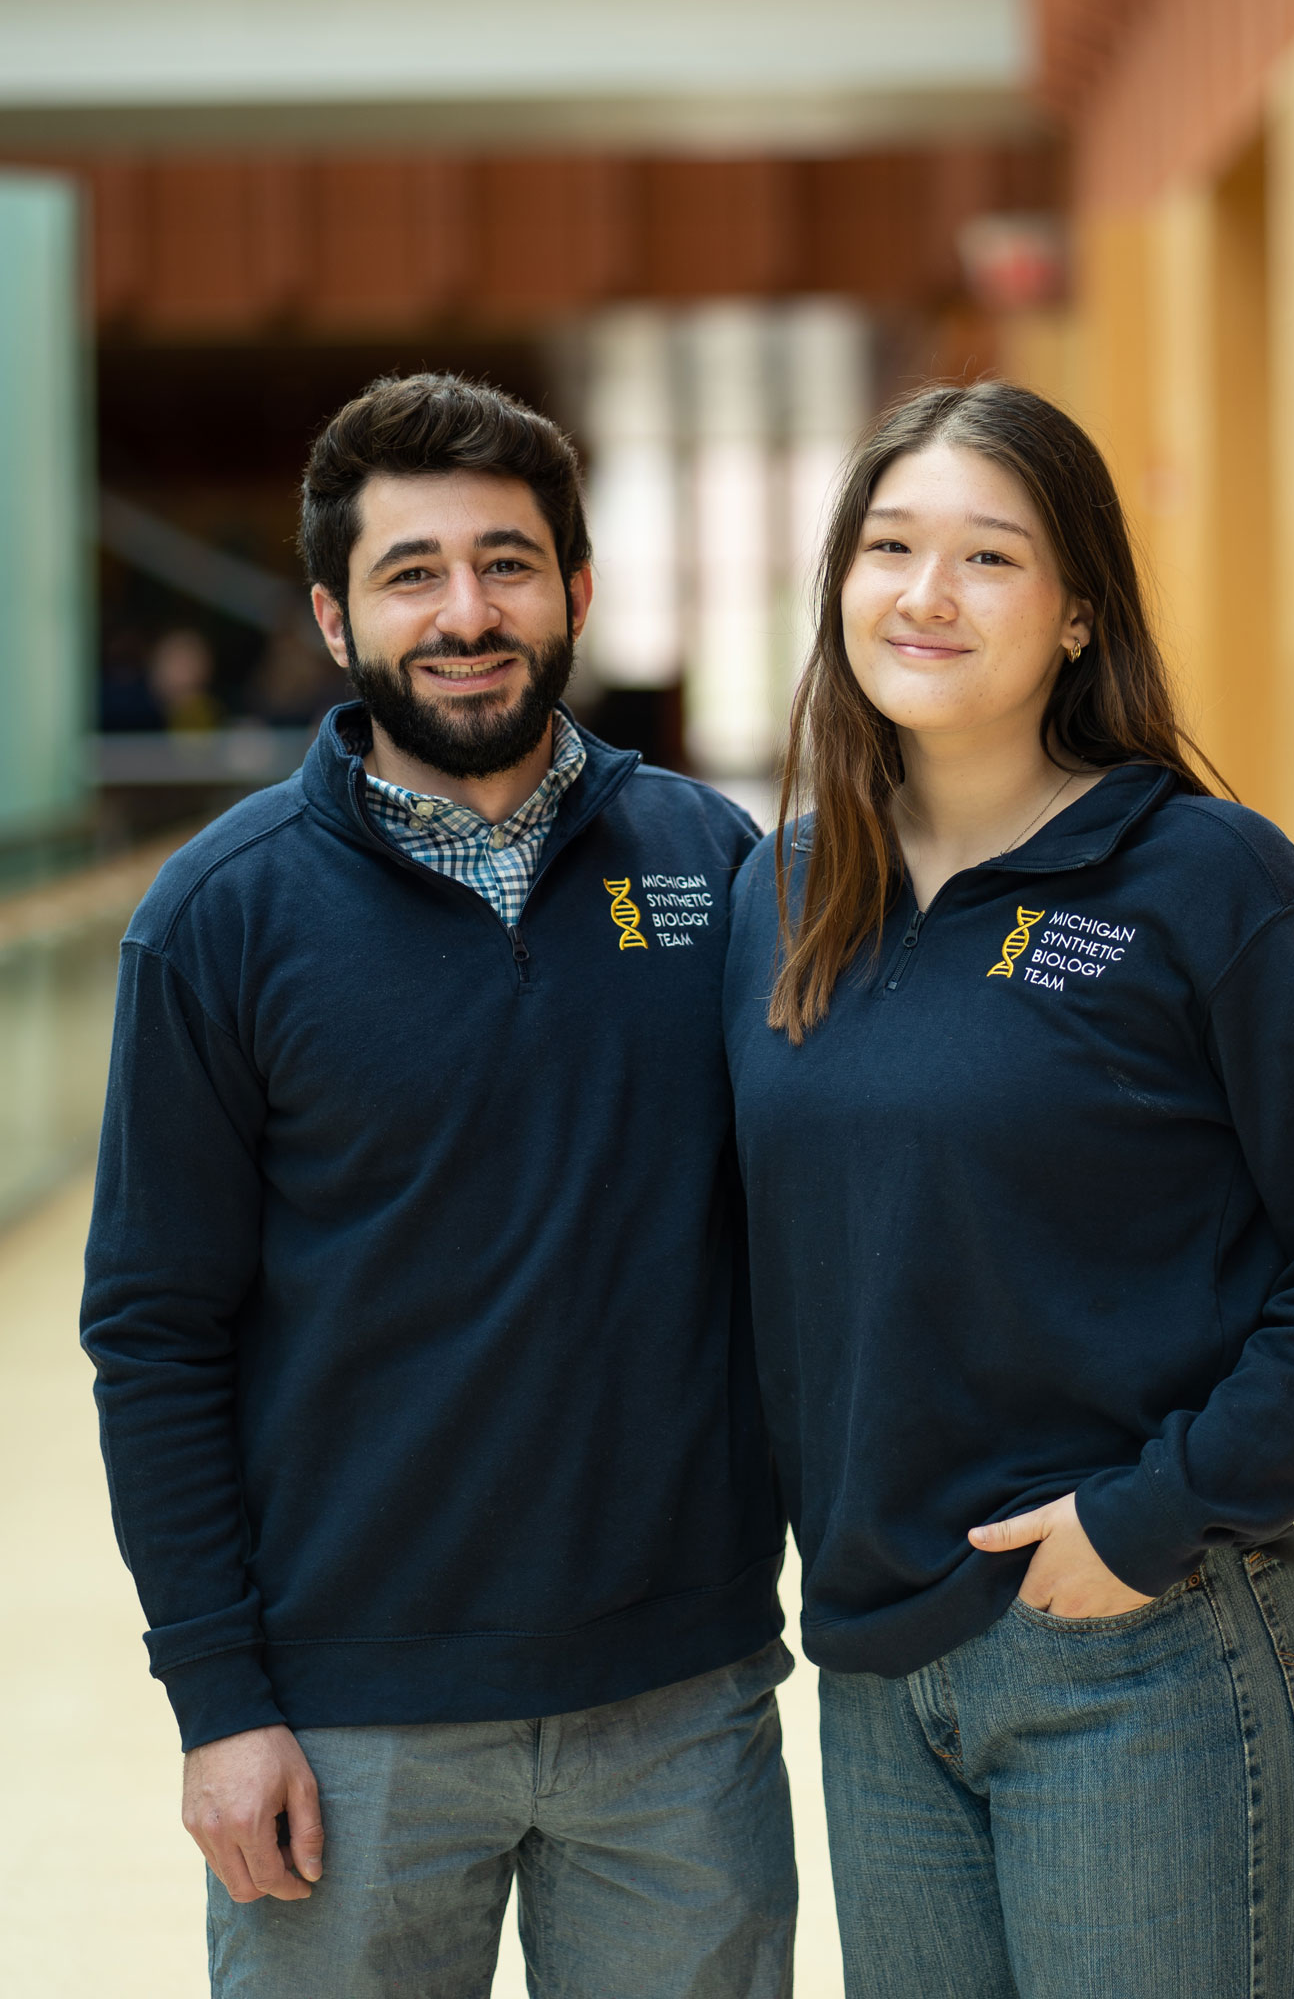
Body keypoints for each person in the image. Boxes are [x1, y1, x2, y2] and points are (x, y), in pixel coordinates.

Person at [723, 380, 1294, 1998]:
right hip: (872, 1662)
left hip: (1138, 1644)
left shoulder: (1209, 882)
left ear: (1074, 616)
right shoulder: (780, 894)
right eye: (889, 545)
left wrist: (1147, 1520)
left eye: (989, 558)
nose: (925, 595)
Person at [82, 373, 795, 1999]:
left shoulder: (709, 864)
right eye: (412, 573)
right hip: (347, 1725)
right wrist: (219, 1702)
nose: (465, 613)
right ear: (336, 618)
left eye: (508, 563)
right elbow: (155, 1330)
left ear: (579, 593)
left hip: (678, 1704)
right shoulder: (222, 918)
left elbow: (813, 1234)